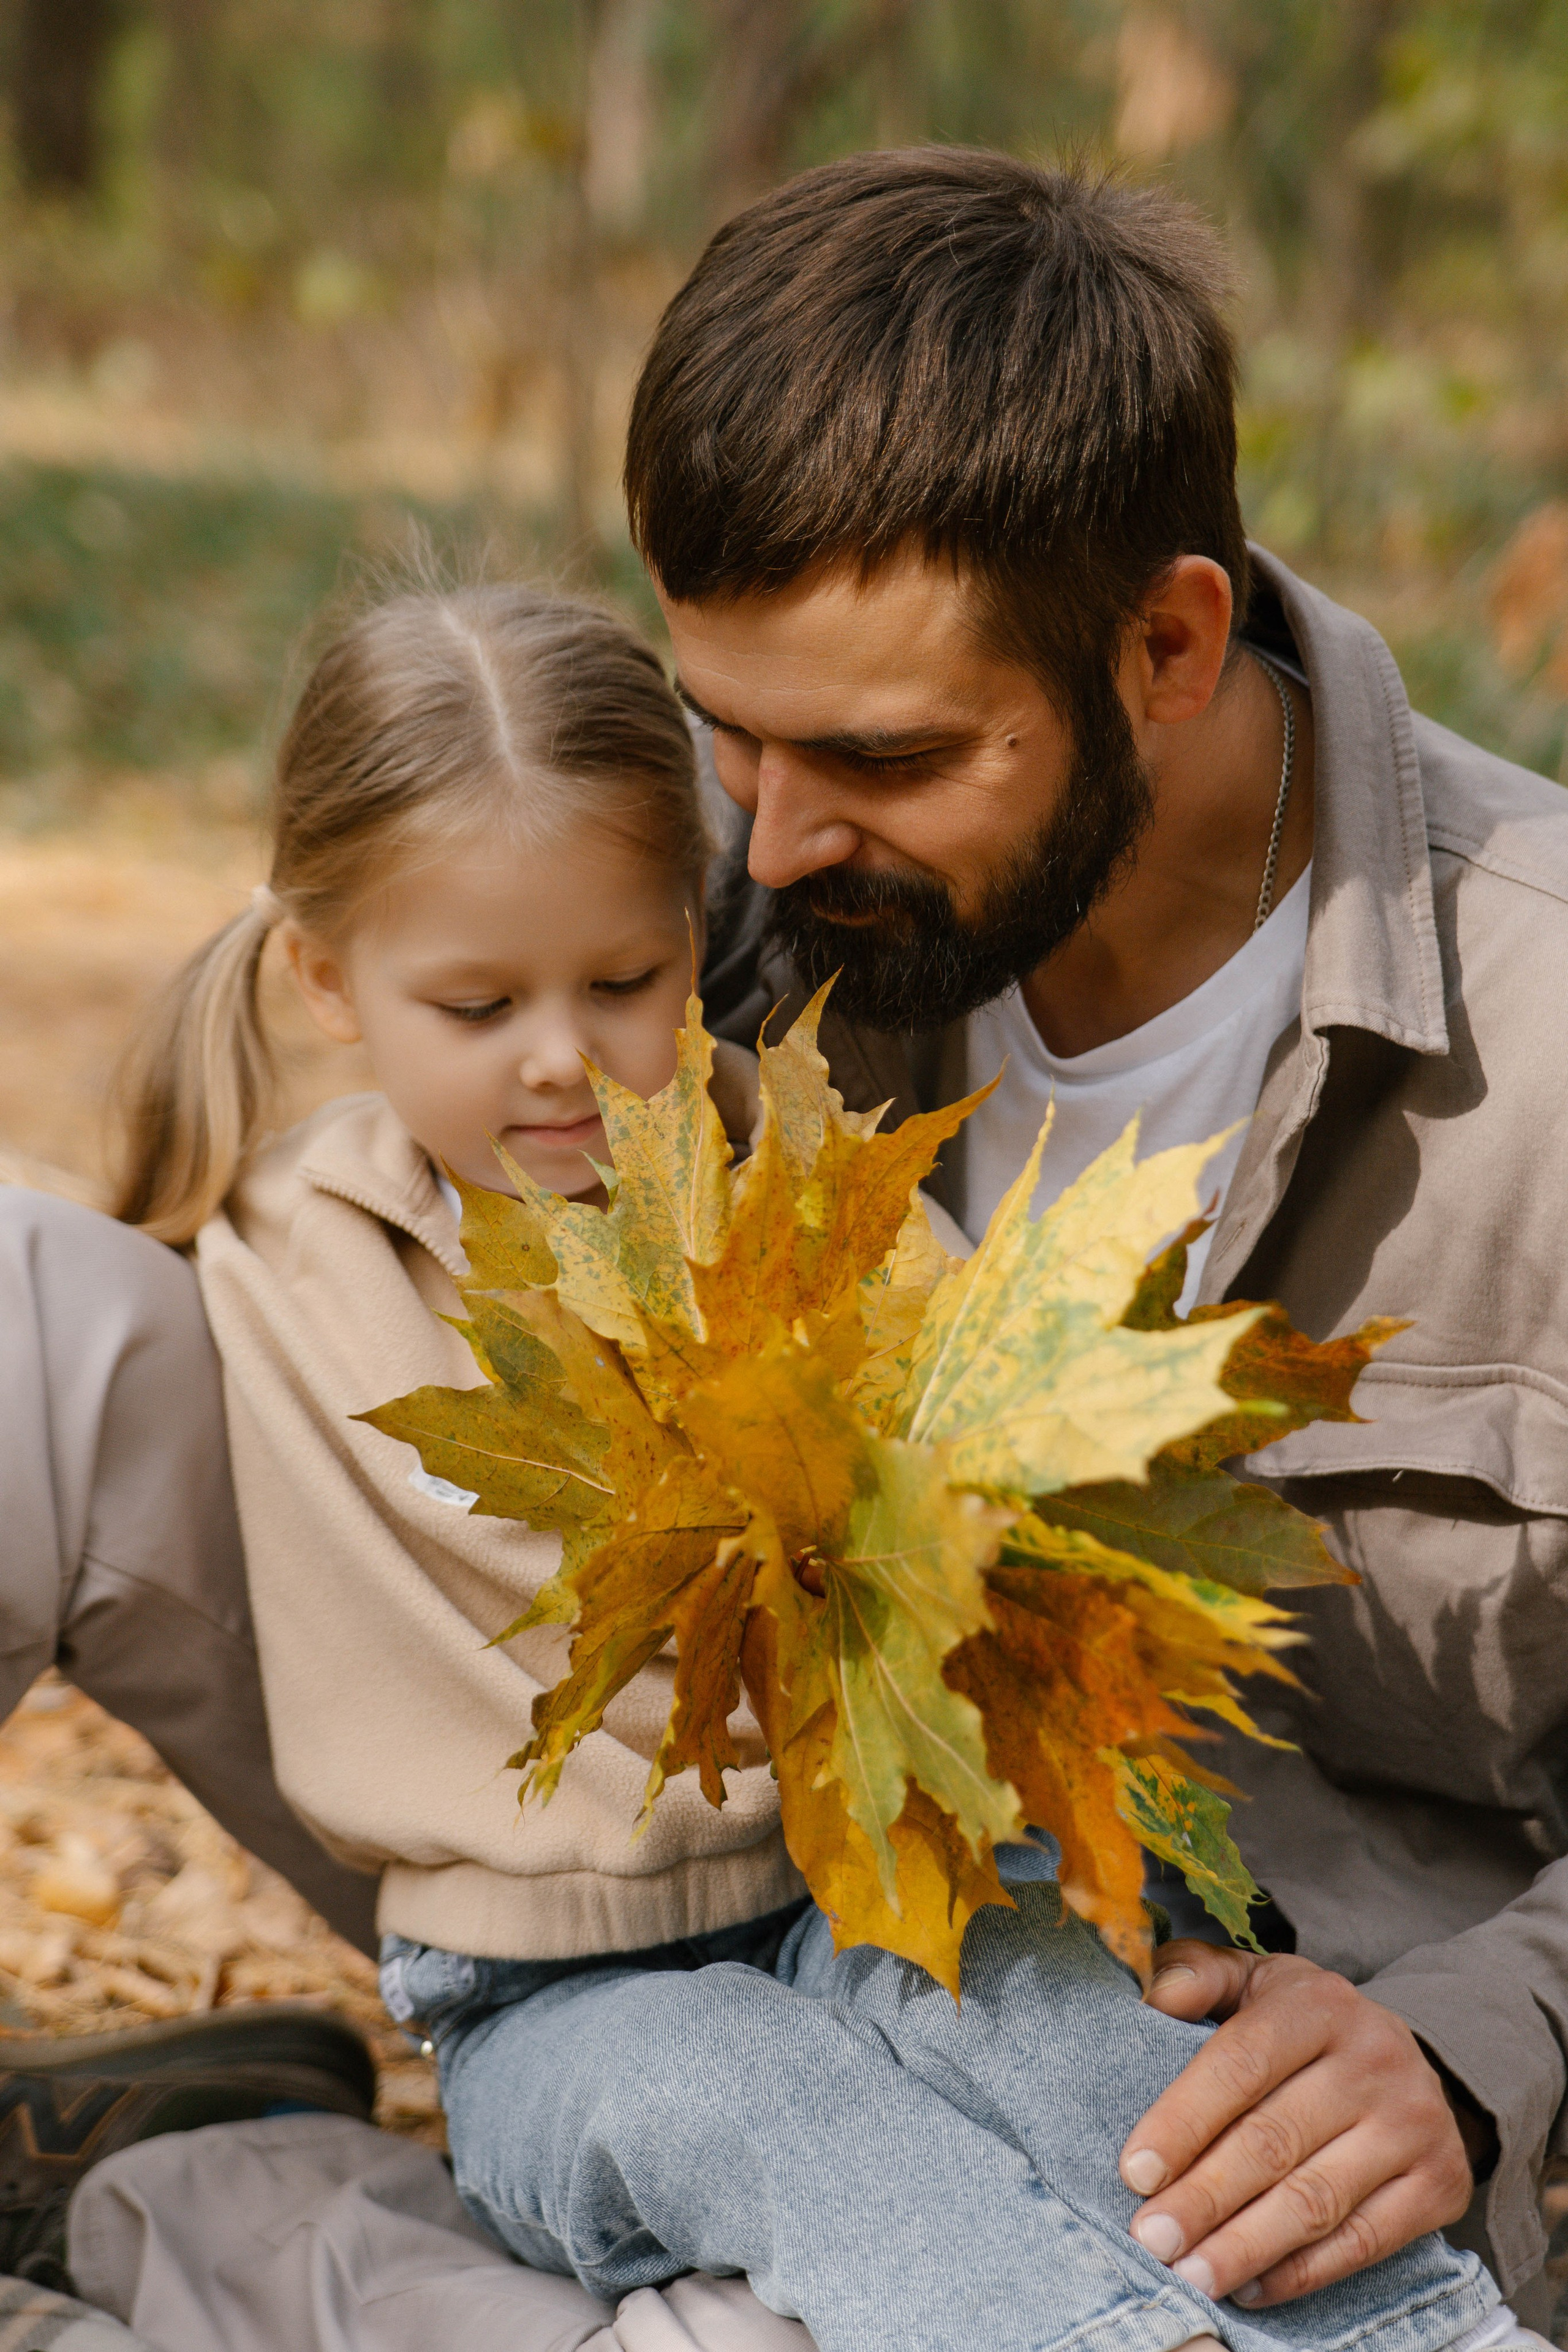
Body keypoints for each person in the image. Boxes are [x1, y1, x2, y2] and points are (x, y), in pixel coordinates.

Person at [53, 567, 1512, 2352]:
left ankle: (1418, 2338)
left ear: (697, 931)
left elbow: (1005, 1476)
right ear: (323, 978)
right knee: (760, 2110)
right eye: (475, 1007)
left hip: (871, 1886)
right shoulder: (297, 1250)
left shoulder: (804, 1195)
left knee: (1069, 2039)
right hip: (543, 1999)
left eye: (623, 979)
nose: (563, 1063)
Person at [620, 144, 1568, 2331]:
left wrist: (1475, 2054)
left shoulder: (1535, 1031)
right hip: (779, 1989)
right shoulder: (705, 888)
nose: (767, 837)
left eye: (879, 754)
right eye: (722, 727)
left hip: (1293, 2111)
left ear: (1166, 641)